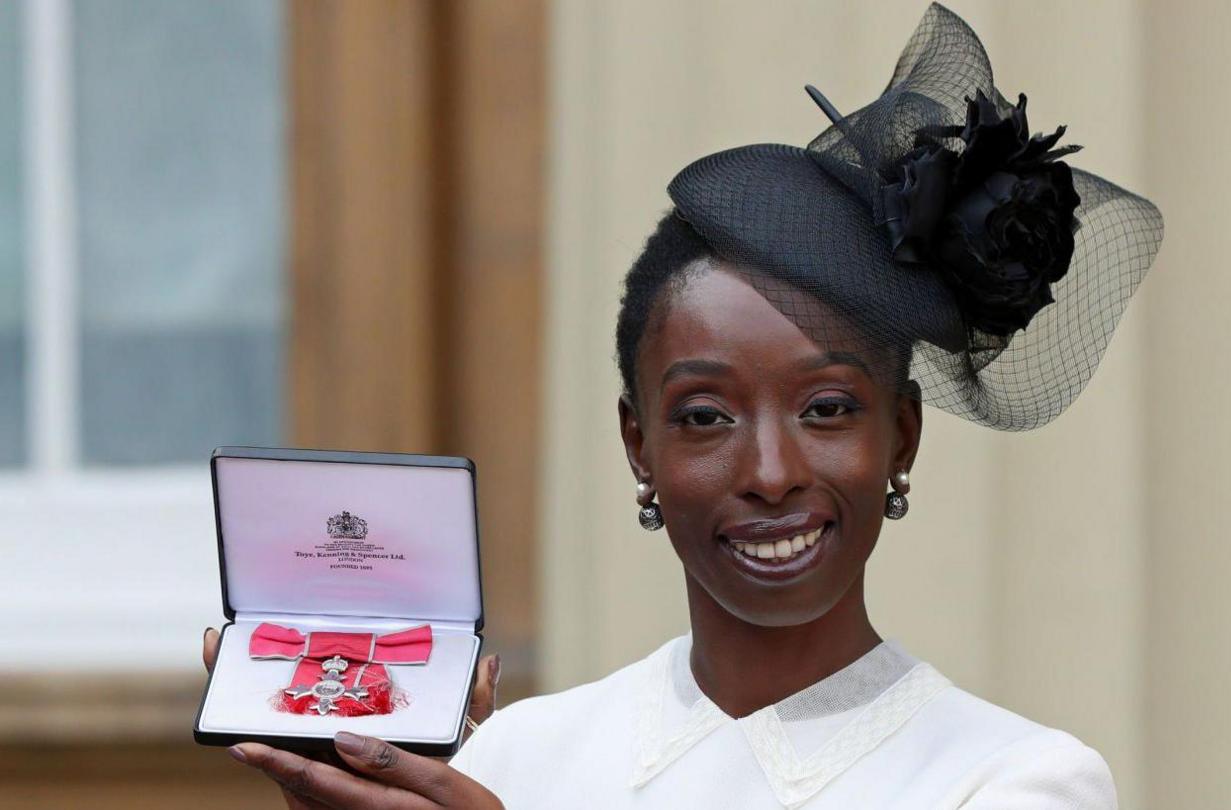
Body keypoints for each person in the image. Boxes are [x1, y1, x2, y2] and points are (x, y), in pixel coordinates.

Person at [205, 4, 1163, 807]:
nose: (773, 471)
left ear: (901, 436)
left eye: (827, 408)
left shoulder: (1014, 781)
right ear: (638, 445)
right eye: (705, 416)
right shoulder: (513, 760)